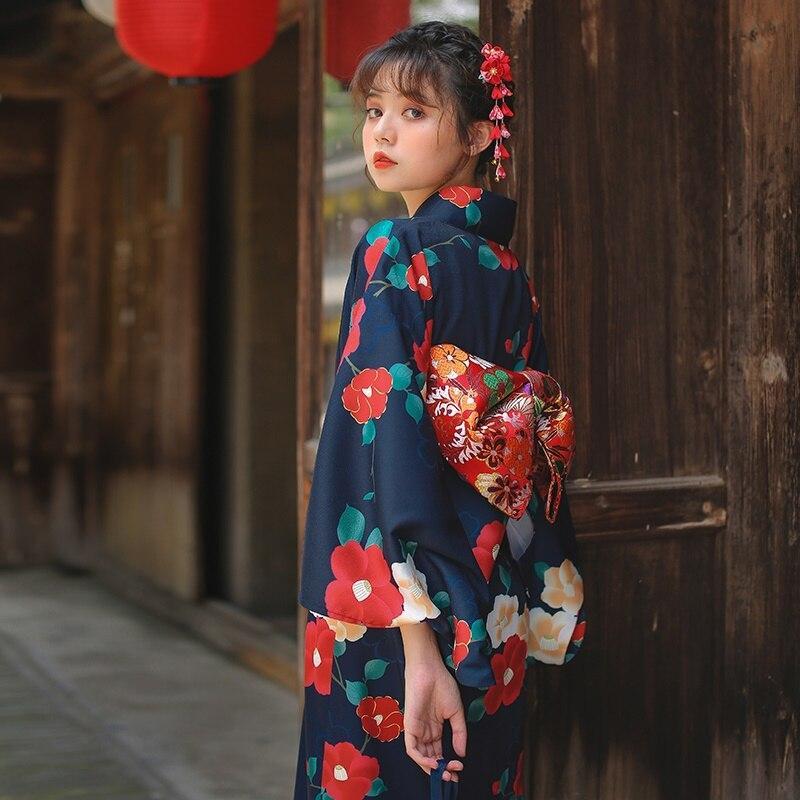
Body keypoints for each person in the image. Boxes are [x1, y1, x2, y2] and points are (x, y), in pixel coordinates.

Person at [293, 21, 586, 800]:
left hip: (403, 614)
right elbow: (532, 454)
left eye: (414, 113)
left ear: (479, 136)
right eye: (375, 110)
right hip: (493, 600)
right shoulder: (504, 267)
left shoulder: (396, 250)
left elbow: (382, 444)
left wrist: (420, 645)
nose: (382, 130)